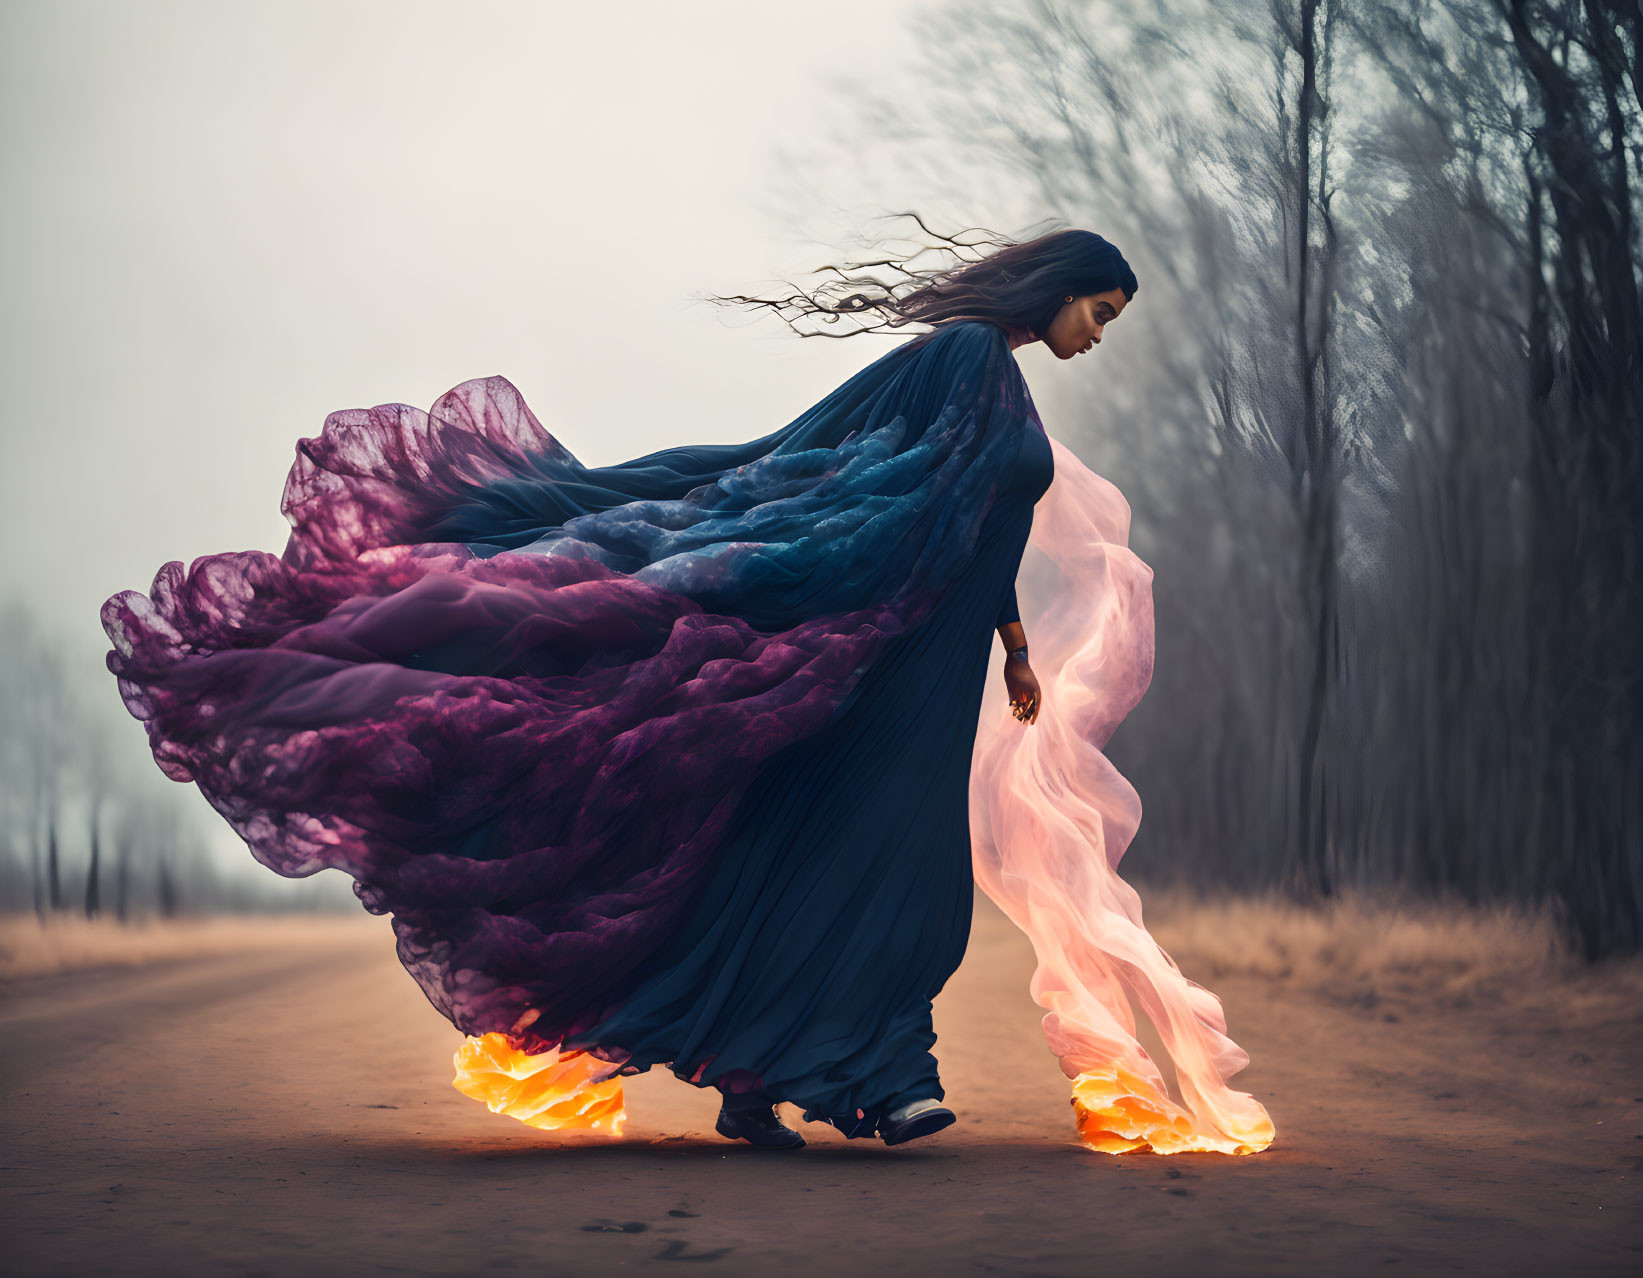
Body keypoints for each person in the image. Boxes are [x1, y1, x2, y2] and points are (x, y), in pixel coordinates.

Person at [102, 224, 1275, 1156]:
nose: (1098, 336)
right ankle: (878, 1079)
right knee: (879, 868)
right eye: (1099, 313)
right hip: (884, 656)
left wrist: (1013, 645)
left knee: (833, 857)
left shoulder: (993, 383)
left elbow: (978, 525)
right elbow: (858, 494)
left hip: (933, 663)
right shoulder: (960, 362)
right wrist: (824, 607)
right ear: (1061, 287)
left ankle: (764, 1082)